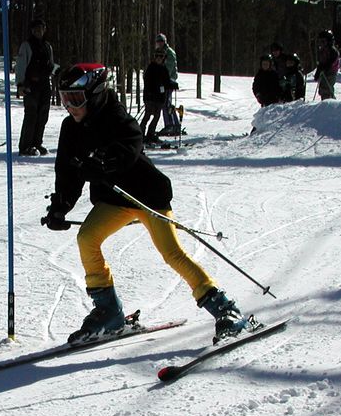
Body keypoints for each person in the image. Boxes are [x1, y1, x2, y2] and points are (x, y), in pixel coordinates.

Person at [43, 63, 254, 344]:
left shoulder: (117, 117)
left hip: (146, 196)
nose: (70, 106)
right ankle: (108, 311)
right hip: (115, 201)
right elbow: (67, 171)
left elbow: (130, 145)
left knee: (172, 254)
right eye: (64, 98)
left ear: (94, 95)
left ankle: (226, 310)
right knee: (87, 238)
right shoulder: (71, 128)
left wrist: (103, 162)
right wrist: (61, 206)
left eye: (76, 99)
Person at [15, 19, 56, 156]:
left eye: (42, 29)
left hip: (44, 85)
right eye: (37, 29)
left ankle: (37, 143)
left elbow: (51, 65)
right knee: (31, 115)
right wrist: (20, 84)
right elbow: (20, 65)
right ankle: (25, 146)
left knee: (43, 116)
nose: (39, 31)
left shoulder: (47, 46)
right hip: (30, 85)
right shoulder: (26, 46)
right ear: (32, 30)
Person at [139, 49, 172, 145]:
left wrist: (171, 85)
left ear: (163, 58)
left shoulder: (164, 69)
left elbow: (167, 82)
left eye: (160, 56)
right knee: (147, 115)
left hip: (160, 98)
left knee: (157, 116)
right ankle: (140, 135)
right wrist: (150, 92)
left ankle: (151, 134)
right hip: (150, 97)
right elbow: (147, 81)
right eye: (157, 56)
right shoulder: (151, 68)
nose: (158, 58)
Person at [154, 33, 180, 136]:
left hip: (169, 81)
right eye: (158, 42)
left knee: (166, 103)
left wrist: (163, 78)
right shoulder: (160, 52)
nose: (159, 44)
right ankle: (174, 124)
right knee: (166, 103)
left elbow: (169, 68)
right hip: (164, 81)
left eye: (161, 42)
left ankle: (170, 125)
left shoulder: (169, 53)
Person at [314, 29, 340, 100]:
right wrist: (318, 71)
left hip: (331, 72)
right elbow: (320, 63)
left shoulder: (332, 51)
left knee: (327, 88)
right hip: (324, 72)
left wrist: (324, 67)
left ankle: (329, 104)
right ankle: (325, 102)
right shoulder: (322, 51)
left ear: (329, 41)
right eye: (320, 42)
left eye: (323, 42)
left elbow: (331, 62)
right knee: (322, 88)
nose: (321, 44)